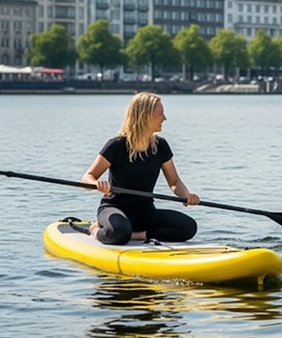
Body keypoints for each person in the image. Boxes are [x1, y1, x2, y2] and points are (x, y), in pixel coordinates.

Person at [82, 92, 199, 245]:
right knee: (119, 233)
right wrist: (97, 184)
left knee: (188, 227)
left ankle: (136, 235)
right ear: (145, 116)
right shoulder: (117, 145)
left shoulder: (160, 146)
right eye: (160, 114)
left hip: (145, 212)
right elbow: (88, 177)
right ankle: (95, 229)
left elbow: (174, 181)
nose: (165, 118)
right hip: (115, 209)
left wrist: (186, 196)